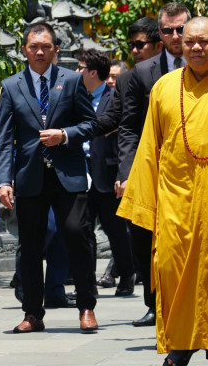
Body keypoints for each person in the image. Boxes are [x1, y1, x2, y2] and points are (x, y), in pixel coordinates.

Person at [118, 16, 208, 366]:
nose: (196, 47)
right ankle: (180, 347)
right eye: (189, 42)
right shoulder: (164, 88)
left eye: (204, 41)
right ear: (178, 45)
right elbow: (149, 149)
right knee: (174, 274)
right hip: (175, 207)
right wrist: (144, 204)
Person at [0, 22, 98, 334]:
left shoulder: (72, 80)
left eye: (46, 47)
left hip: (68, 173)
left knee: (76, 234)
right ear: (24, 50)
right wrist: (3, 180)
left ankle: (87, 306)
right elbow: (3, 138)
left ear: (55, 49)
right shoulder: (11, 86)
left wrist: (64, 134)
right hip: (30, 176)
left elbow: (91, 123)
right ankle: (32, 313)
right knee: (30, 245)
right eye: (33, 47)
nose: (40, 51)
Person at [117, 3, 191, 327]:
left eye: (181, 29)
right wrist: (127, 174)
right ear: (159, 34)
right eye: (169, 30)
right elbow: (129, 127)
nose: (176, 36)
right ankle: (154, 302)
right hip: (155, 169)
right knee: (144, 237)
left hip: (198, 168)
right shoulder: (143, 73)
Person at [96, 17, 162, 289]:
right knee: (141, 236)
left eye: (140, 45)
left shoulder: (182, 72)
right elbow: (117, 122)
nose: (134, 51)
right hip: (140, 170)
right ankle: (152, 302)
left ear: (157, 46)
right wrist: (71, 131)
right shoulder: (125, 80)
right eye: (131, 45)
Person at [76, 50, 134, 297]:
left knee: (116, 231)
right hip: (80, 173)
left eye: (80, 68)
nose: (76, 73)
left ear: (92, 72)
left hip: (108, 174)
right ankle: (87, 284)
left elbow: (126, 138)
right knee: (82, 229)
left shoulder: (115, 97)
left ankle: (127, 275)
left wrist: (124, 174)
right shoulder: (75, 96)